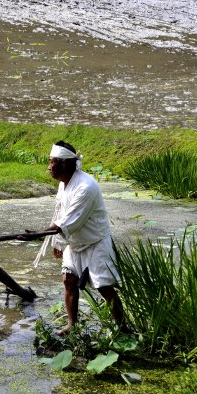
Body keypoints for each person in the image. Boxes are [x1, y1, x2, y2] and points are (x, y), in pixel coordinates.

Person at [28, 141, 126, 336]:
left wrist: (38, 234)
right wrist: (58, 242)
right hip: (75, 242)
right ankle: (72, 325)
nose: (48, 167)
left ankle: (123, 329)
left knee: (104, 287)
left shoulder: (86, 187)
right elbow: (60, 214)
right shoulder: (64, 184)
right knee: (69, 281)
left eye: (51, 162)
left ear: (64, 163)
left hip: (95, 242)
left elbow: (69, 221)